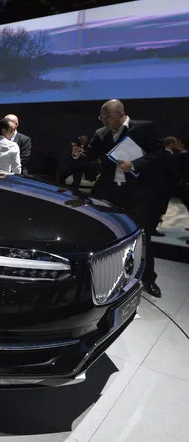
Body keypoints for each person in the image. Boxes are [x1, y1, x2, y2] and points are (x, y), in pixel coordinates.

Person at [72, 99, 163, 297]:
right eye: (101, 117)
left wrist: (136, 164)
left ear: (121, 114)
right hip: (109, 192)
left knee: (143, 234)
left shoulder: (144, 128)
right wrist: (78, 155)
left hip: (136, 192)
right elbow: (88, 157)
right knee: (106, 233)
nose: (103, 120)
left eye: (107, 116)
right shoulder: (101, 133)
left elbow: (159, 154)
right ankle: (109, 276)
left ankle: (148, 278)